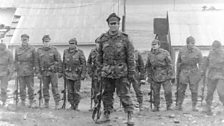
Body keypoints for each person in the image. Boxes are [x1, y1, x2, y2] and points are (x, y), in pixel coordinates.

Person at [96, 13, 135, 125]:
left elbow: (131, 57)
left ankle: (129, 115)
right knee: (106, 94)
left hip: (121, 72)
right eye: (111, 24)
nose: (113, 26)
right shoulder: (102, 39)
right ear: (108, 24)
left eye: (116, 24)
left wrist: (131, 73)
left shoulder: (125, 39)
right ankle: (106, 114)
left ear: (119, 24)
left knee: (124, 94)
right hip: (106, 72)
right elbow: (99, 57)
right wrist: (100, 71)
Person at [145, 39, 173, 112]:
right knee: (155, 92)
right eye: (153, 44)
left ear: (159, 45)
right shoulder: (150, 54)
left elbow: (170, 64)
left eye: (155, 44)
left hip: (165, 74)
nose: (154, 46)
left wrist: (170, 74)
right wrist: (149, 75)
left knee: (168, 91)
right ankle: (156, 106)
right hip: (155, 75)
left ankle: (169, 105)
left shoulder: (165, 53)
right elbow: (148, 66)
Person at [176, 36, 203, 111]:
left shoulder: (198, 51)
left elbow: (201, 63)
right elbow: (178, 62)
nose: (192, 45)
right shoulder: (182, 50)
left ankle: (194, 106)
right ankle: (179, 105)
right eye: (190, 43)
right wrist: (177, 73)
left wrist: (200, 74)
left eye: (193, 43)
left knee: (194, 90)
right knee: (181, 89)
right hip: (184, 71)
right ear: (187, 43)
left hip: (194, 72)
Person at [36, 35, 62, 109]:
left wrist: (54, 66)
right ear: (43, 42)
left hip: (53, 72)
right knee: (45, 88)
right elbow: (37, 62)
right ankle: (46, 102)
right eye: (45, 42)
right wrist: (38, 72)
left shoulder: (54, 50)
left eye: (47, 41)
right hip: (44, 72)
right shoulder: (39, 50)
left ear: (49, 42)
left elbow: (59, 60)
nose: (46, 43)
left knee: (55, 87)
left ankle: (57, 103)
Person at [63, 38, 86, 111]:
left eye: (73, 43)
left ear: (76, 44)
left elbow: (83, 64)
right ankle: (71, 105)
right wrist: (63, 73)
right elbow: (63, 63)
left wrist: (83, 74)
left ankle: (76, 105)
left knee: (76, 91)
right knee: (69, 91)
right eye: (70, 43)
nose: (71, 45)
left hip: (77, 75)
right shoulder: (65, 52)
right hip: (68, 75)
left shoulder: (80, 52)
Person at [203, 40, 224, 115]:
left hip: (221, 75)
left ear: (219, 47)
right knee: (209, 92)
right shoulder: (211, 53)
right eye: (213, 48)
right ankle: (208, 109)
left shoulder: (223, 54)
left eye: (216, 48)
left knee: (221, 92)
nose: (214, 49)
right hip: (211, 75)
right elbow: (207, 62)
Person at [15, 34, 36, 107]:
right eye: (23, 39)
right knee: (21, 87)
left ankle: (31, 101)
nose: (24, 41)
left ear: (28, 40)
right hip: (20, 71)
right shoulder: (17, 49)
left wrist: (35, 69)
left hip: (29, 70)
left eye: (26, 39)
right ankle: (23, 101)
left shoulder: (32, 49)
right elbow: (16, 60)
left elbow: (35, 60)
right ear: (21, 40)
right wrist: (16, 69)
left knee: (30, 87)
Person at [87, 42, 100, 110]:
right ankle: (96, 105)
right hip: (95, 74)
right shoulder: (92, 52)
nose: (98, 45)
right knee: (95, 90)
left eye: (99, 43)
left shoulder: (105, 51)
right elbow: (88, 62)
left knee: (106, 91)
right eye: (97, 43)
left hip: (104, 74)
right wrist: (90, 72)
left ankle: (107, 107)